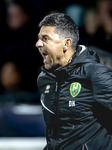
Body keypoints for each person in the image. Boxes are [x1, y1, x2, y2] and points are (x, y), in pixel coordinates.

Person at [35, 13, 112, 150]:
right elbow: (57, 133)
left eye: (45, 39)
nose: (38, 44)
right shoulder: (44, 79)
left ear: (66, 43)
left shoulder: (95, 74)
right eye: (39, 38)